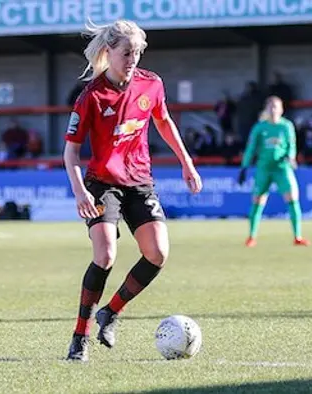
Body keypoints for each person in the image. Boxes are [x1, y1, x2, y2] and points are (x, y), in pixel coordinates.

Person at [63, 20, 202, 362]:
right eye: (127, 53)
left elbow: (164, 121)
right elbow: (70, 152)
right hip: (101, 184)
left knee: (157, 253)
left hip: (139, 181)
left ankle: (110, 312)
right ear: (108, 52)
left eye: (137, 52)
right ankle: (79, 337)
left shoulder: (151, 84)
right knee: (105, 255)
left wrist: (186, 162)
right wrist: (80, 192)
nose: (133, 59)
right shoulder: (91, 96)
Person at [238, 96, 309, 247]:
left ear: (282, 110)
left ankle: (298, 236)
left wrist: (290, 157)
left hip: (282, 168)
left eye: (276, 107)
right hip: (264, 168)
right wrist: (244, 167)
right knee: (258, 200)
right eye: (270, 107)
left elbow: (292, 145)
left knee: (292, 198)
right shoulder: (260, 128)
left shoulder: (286, 126)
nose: (273, 110)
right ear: (266, 109)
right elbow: (251, 148)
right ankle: (252, 236)